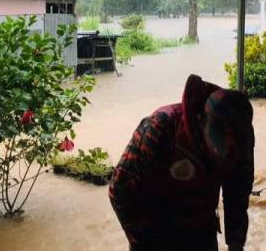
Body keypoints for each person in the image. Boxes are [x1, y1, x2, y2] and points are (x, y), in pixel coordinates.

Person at [109, 74, 255, 251]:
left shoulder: (242, 136)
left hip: (202, 228)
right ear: (201, 121)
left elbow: (237, 193)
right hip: (155, 228)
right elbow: (121, 190)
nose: (228, 149)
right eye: (221, 139)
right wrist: (141, 241)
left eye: (234, 143)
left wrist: (235, 244)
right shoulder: (162, 126)